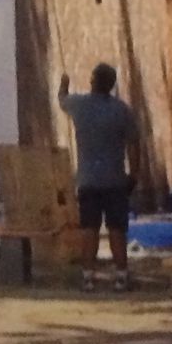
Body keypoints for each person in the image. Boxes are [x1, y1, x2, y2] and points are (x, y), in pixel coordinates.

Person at [58, 62, 137, 292]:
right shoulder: (121, 110)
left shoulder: (80, 106)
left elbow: (62, 99)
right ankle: (121, 276)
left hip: (88, 180)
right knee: (116, 229)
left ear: (93, 82)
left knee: (89, 229)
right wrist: (135, 173)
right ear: (111, 85)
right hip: (114, 179)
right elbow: (133, 143)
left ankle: (88, 277)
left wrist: (64, 83)